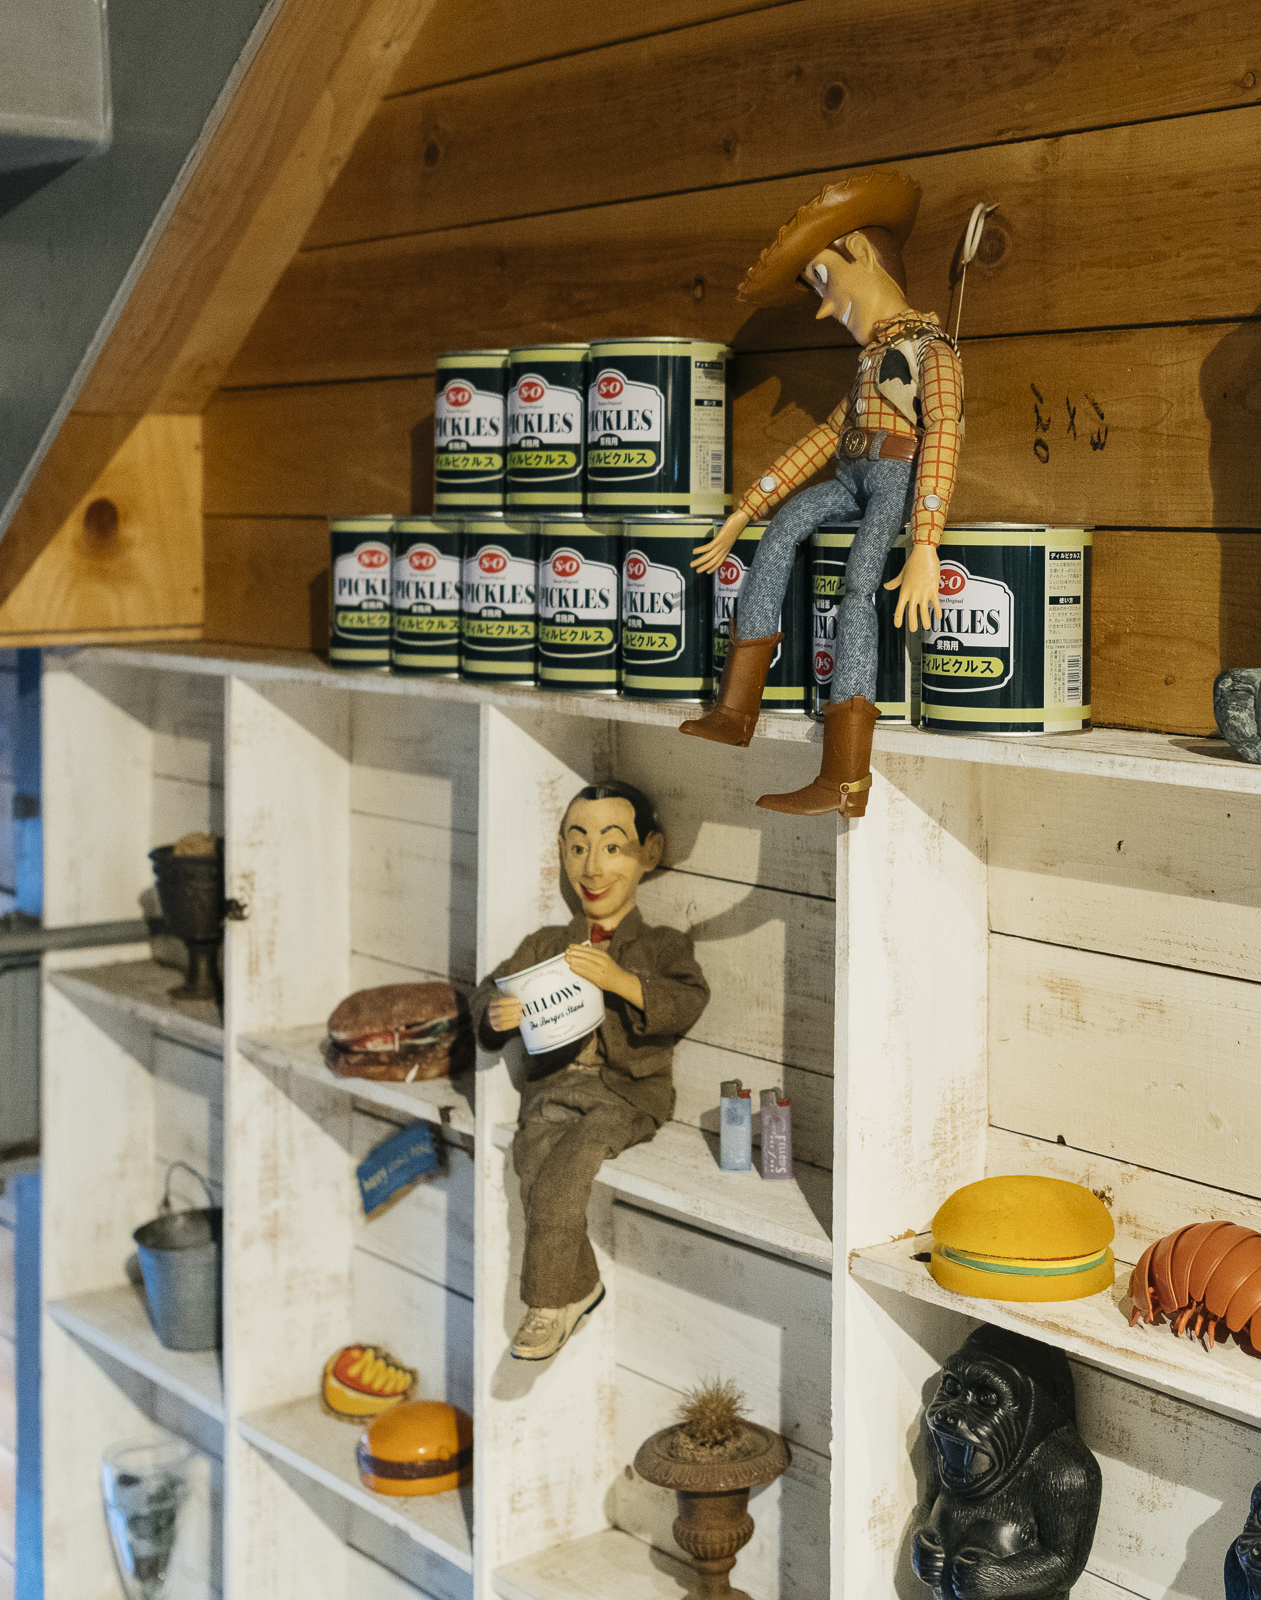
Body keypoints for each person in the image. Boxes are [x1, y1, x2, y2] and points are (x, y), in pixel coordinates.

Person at [680, 168, 960, 816]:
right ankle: (735, 710)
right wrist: (747, 509)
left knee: (860, 583)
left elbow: (944, 434)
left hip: (894, 479)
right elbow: (828, 436)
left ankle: (845, 778)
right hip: (852, 473)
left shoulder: (932, 352)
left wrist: (926, 542)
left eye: (825, 280)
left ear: (859, 251)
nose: (825, 307)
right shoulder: (870, 360)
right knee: (781, 529)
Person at [475, 781, 709, 1361]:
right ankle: (578, 1287)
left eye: (612, 847)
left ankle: (547, 1303)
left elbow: (686, 1000)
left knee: (570, 1162)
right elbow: (488, 993)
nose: (593, 867)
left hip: (626, 1095)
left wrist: (622, 981)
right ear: (562, 852)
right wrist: (497, 1013)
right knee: (533, 1155)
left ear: (649, 853)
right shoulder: (546, 944)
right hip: (553, 1088)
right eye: (578, 848)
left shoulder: (662, 945)